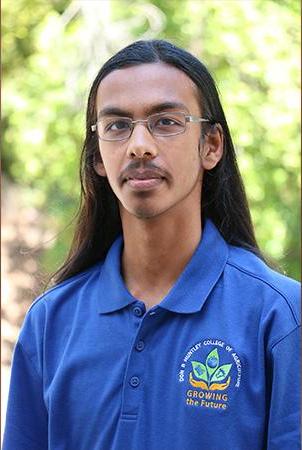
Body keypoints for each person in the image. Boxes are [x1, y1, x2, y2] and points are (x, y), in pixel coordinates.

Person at [3, 39, 300, 450]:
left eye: (166, 122)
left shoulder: (280, 317)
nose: (139, 145)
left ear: (211, 145)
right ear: (98, 159)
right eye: (117, 126)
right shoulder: (51, 323)